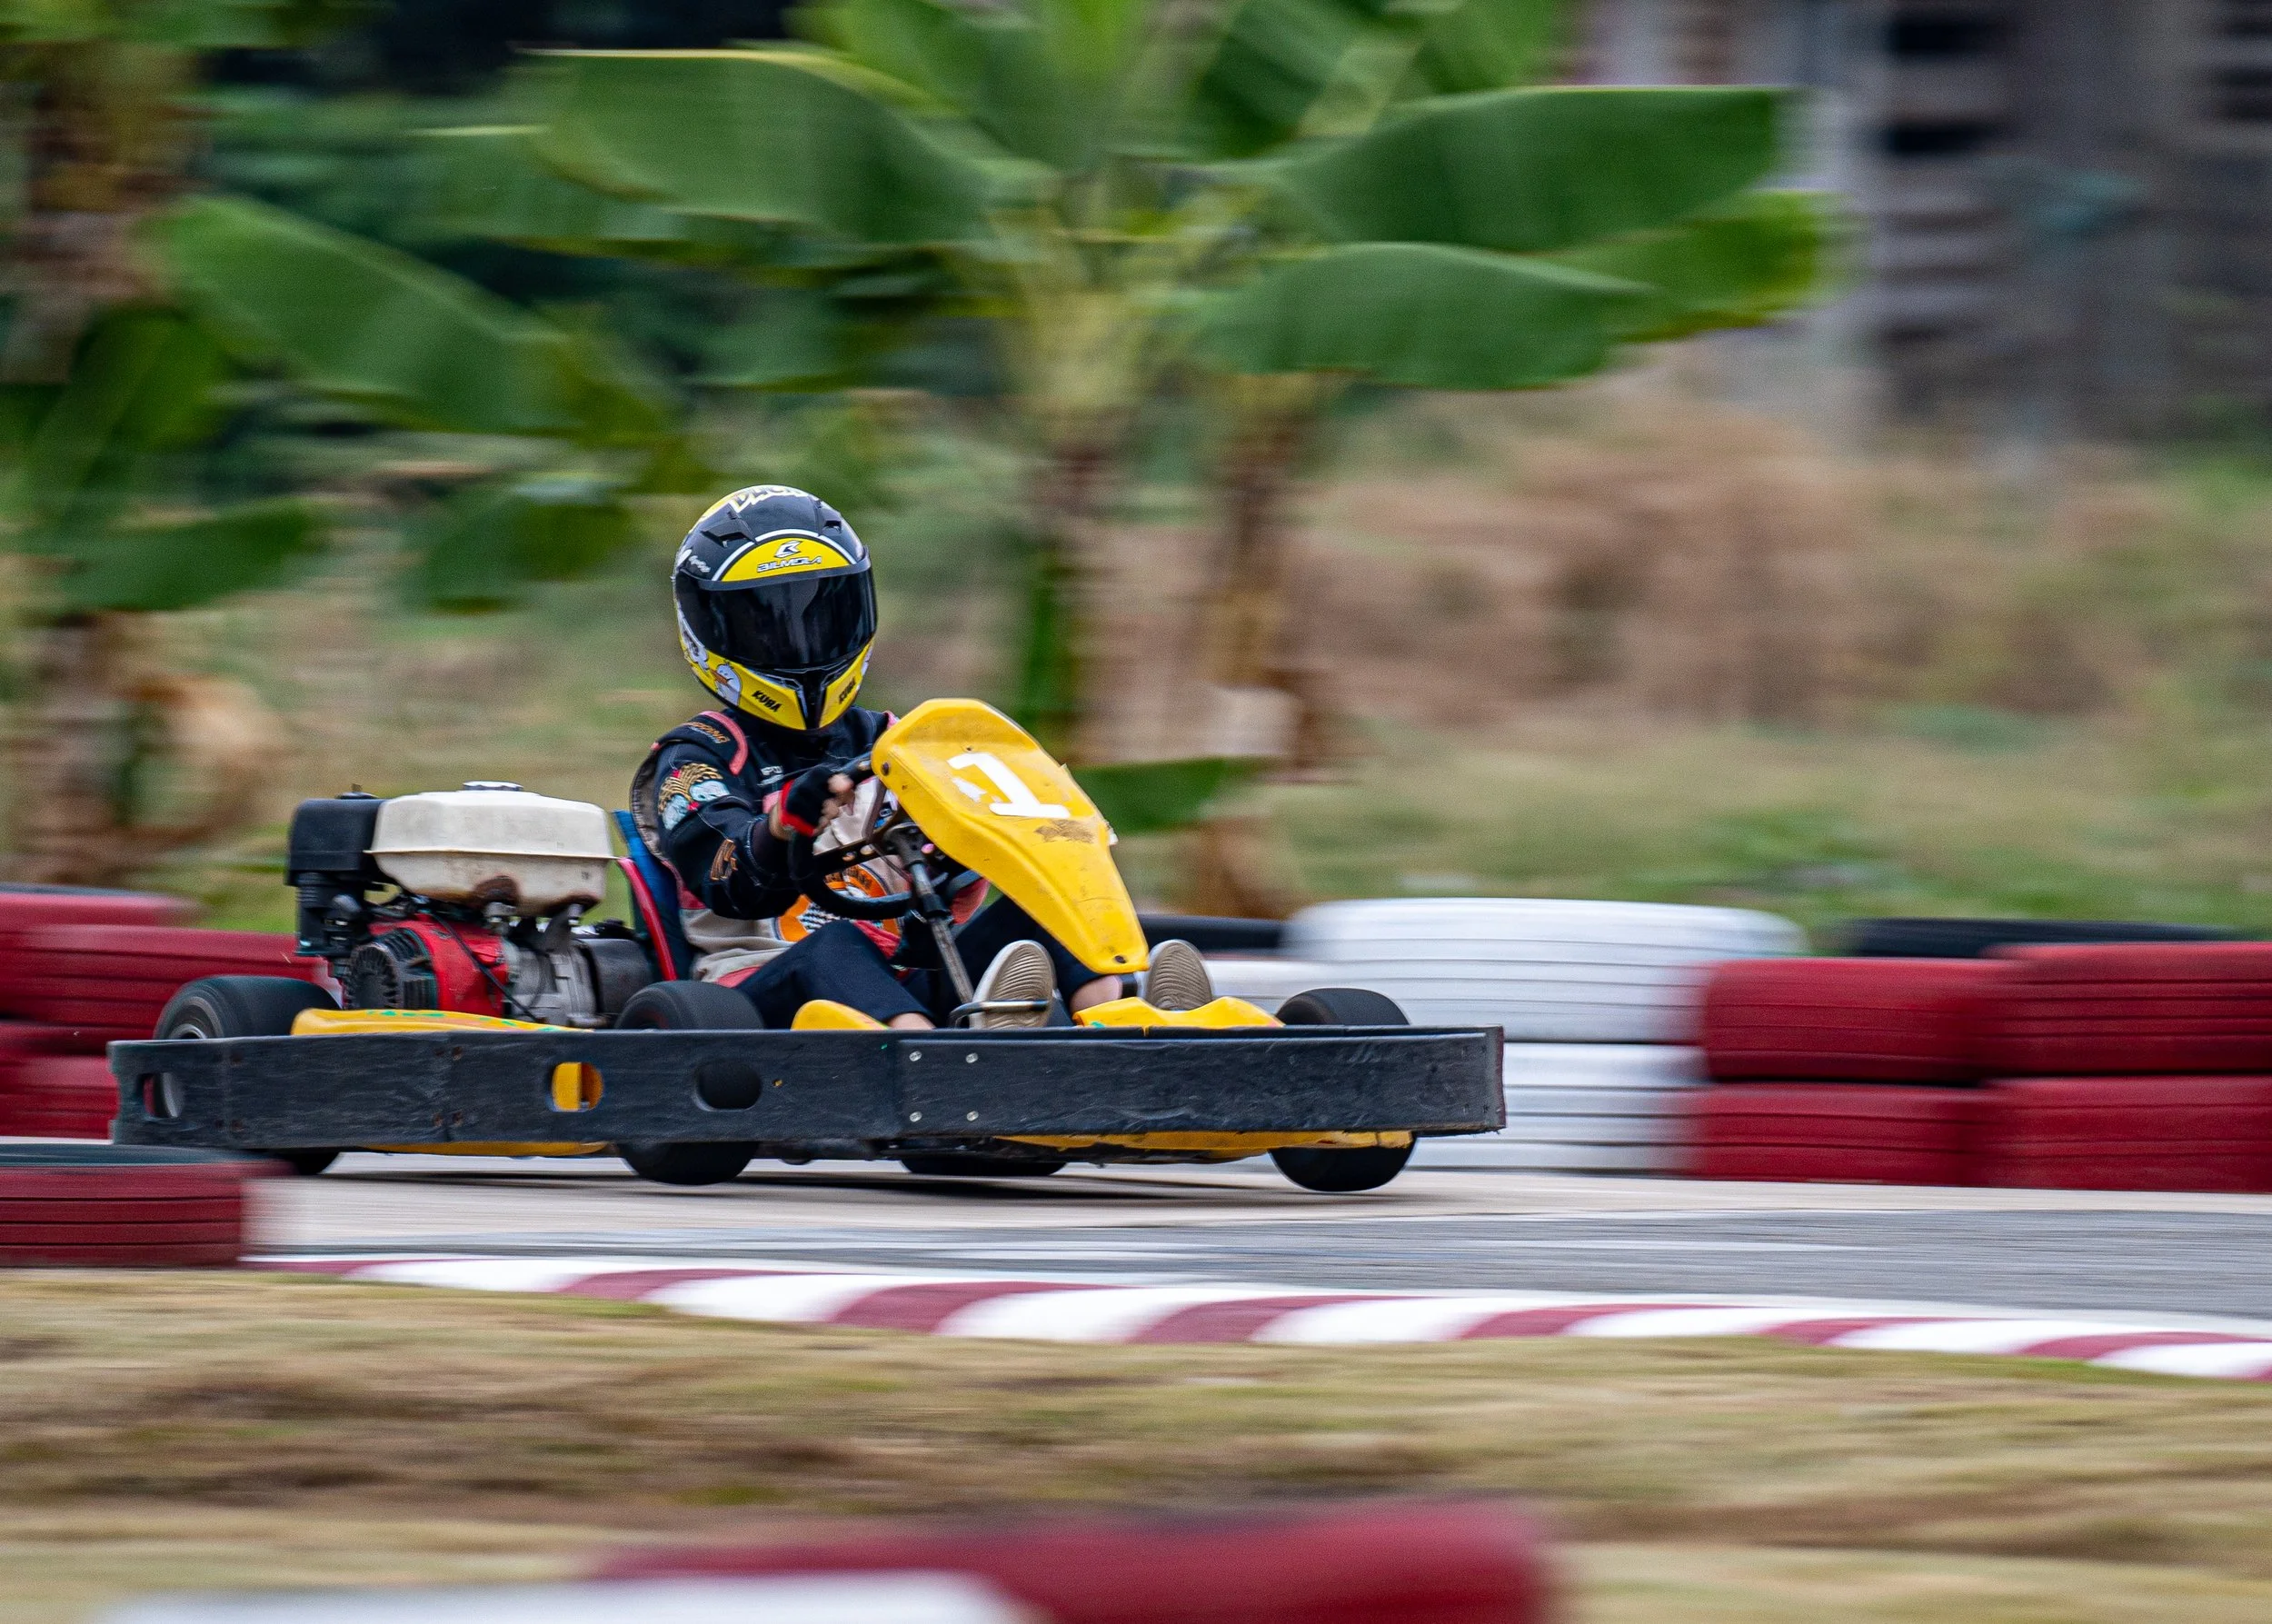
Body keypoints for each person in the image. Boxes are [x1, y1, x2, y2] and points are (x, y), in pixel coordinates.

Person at [631, 483, 1212, 1031]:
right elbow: (731, 879)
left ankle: (1124, 1035)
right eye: (767, 626)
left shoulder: (899, 742)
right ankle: (930, 1058)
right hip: (764, 997)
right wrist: (785, 826)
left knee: (1049, 908)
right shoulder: (695, 758)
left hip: (907, 976)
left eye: (824, 617)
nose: (801, 645)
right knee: (839, 944)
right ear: (707, 629)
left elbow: (963, 868)